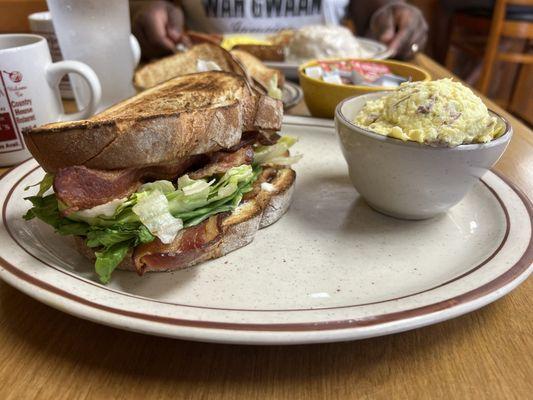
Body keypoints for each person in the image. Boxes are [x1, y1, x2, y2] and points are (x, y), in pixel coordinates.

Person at [131, 0, 428, 60]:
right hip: (211, 75)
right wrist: (151, 11)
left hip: (327, 89)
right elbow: (152, 6)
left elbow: (371, 9)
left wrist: (390, 12)